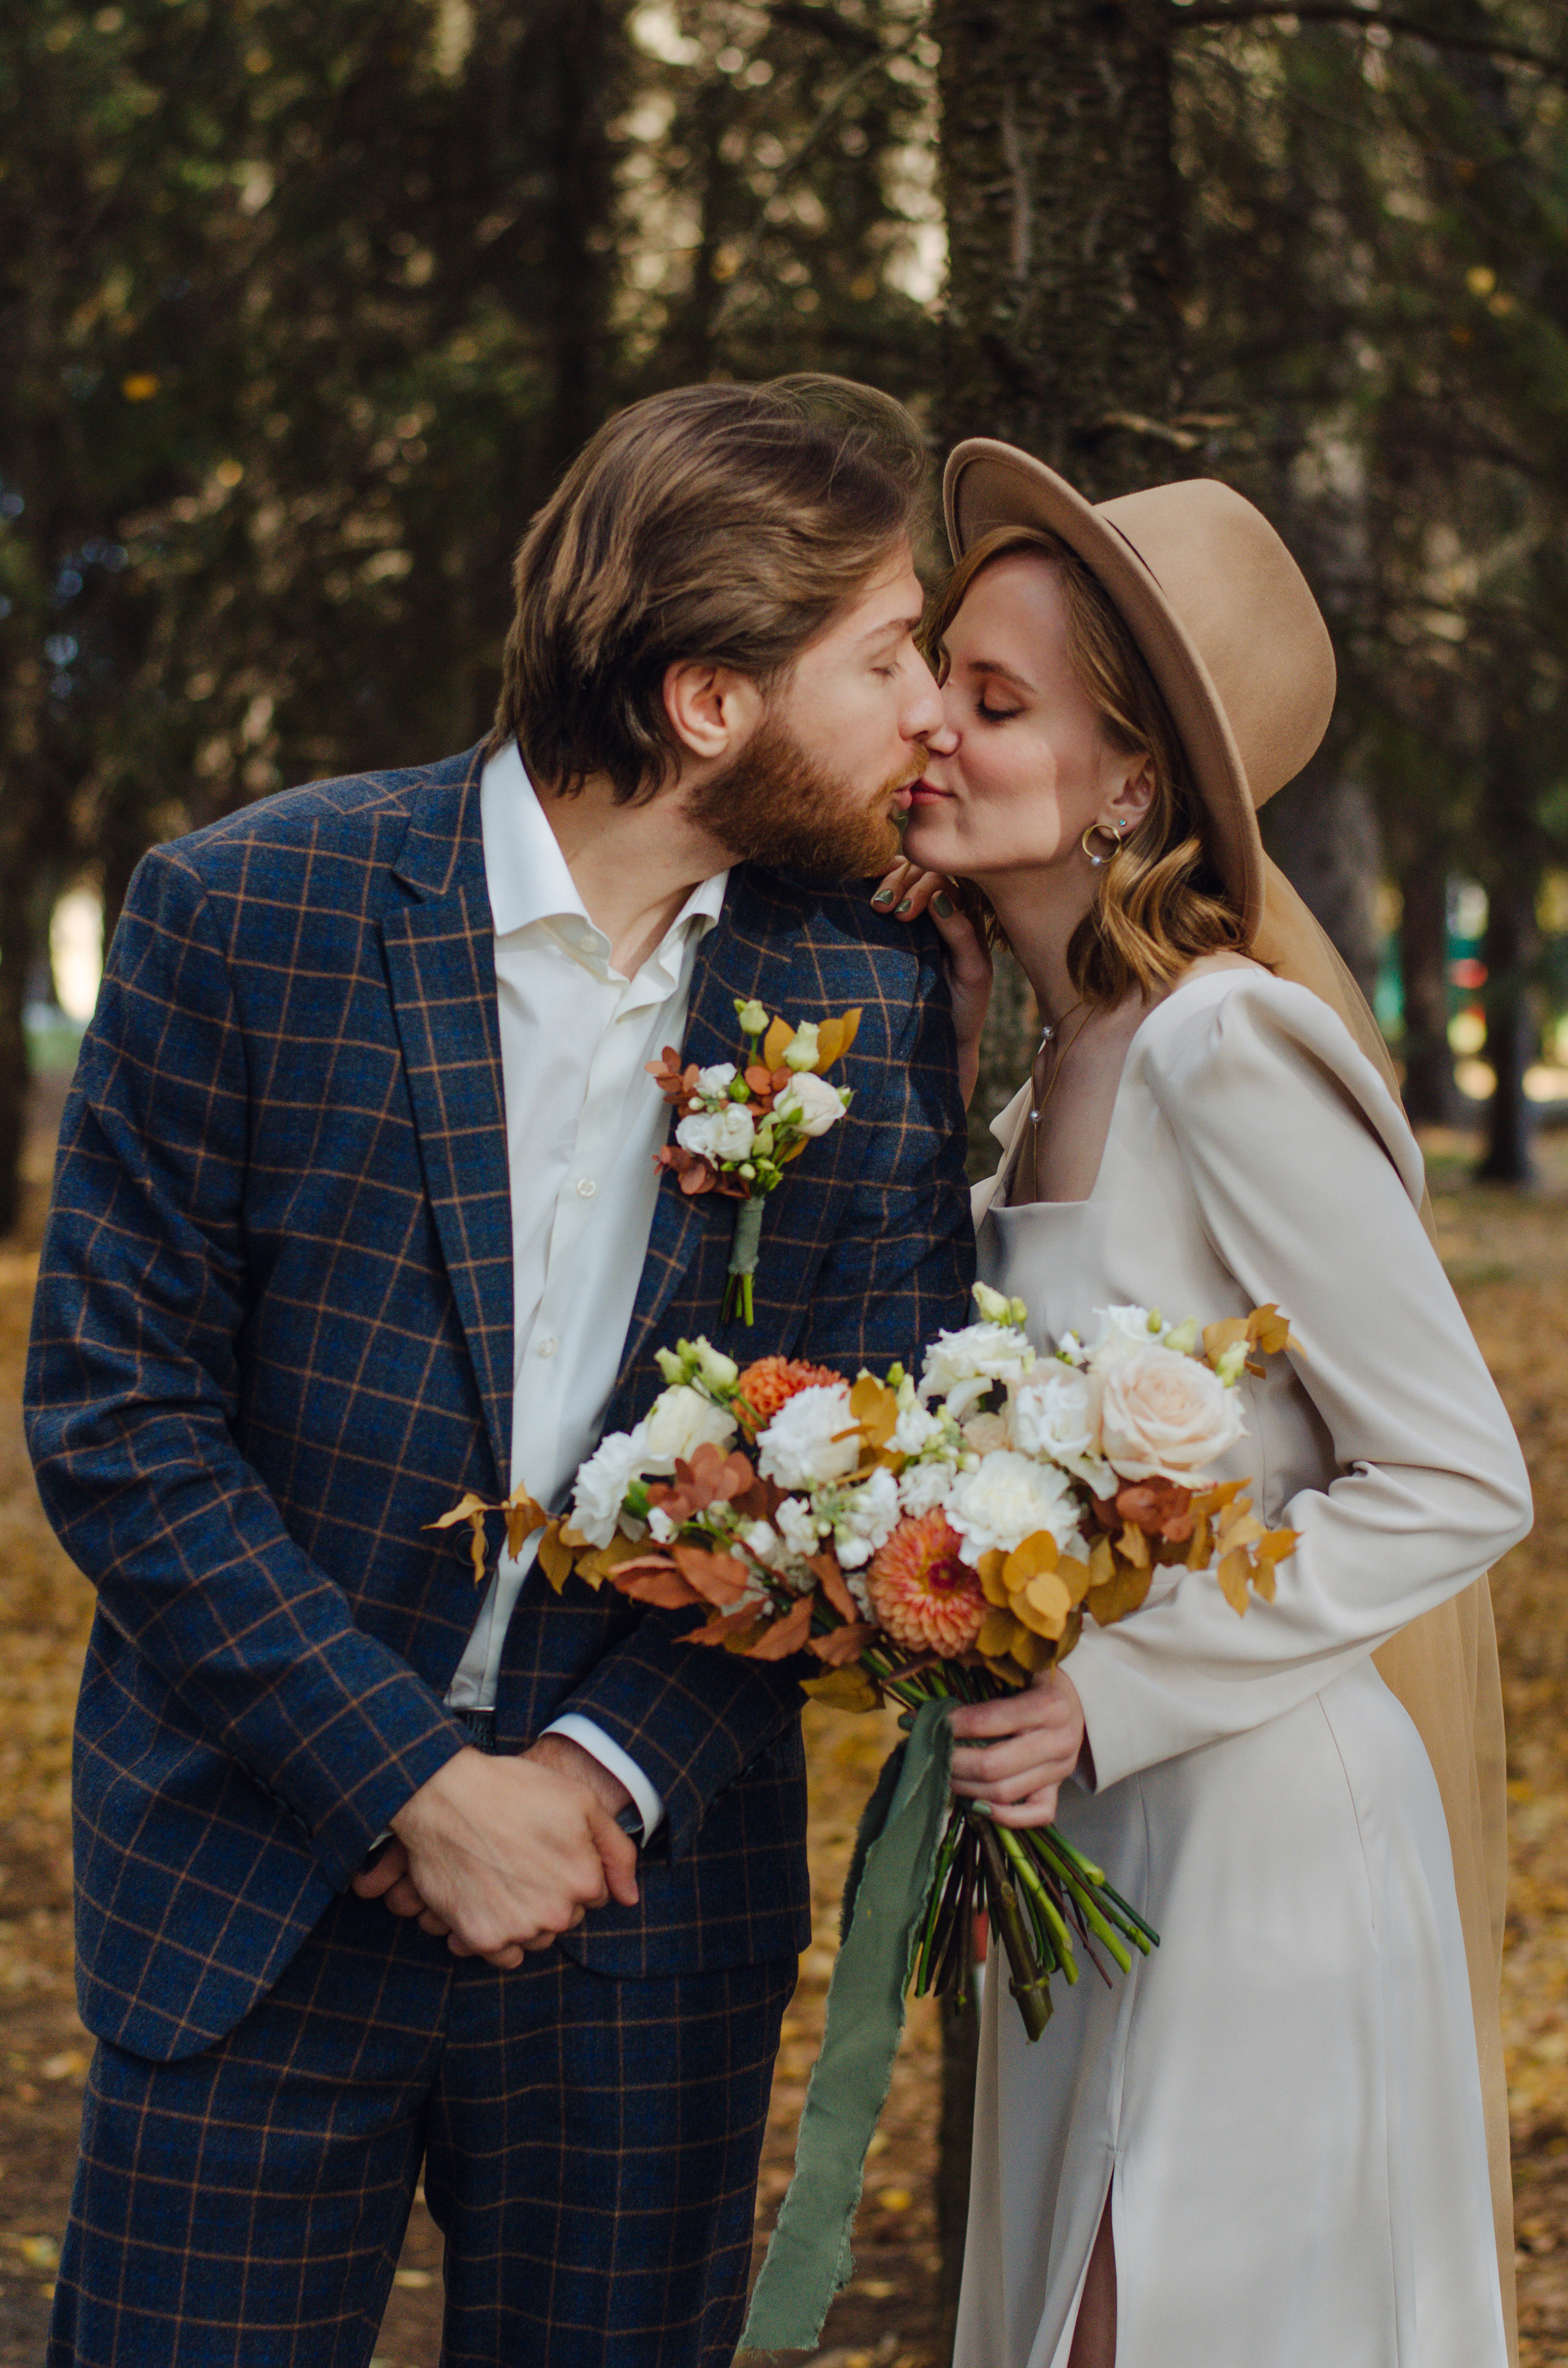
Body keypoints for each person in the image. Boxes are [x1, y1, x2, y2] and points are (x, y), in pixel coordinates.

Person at [23, 375, 981, 2367]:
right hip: (254, 1885)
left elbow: (857, 1470)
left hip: (639, 1917)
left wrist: (580, 1772)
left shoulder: (868, 995)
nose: (930, 711)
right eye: (889, 653)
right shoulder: (248, 917)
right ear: (710, 699)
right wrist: (411, 1785)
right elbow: (122, 1424)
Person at [877, 442, 1531, 2368]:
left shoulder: (1223, 1044)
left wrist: (1114, 1695)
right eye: (939, 675)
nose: (935, 725)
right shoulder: (1049, 1064)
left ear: (1133, 784)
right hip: (1092, 1842)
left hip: (1256, 1842)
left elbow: (1456, 1473)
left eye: (999, 703)